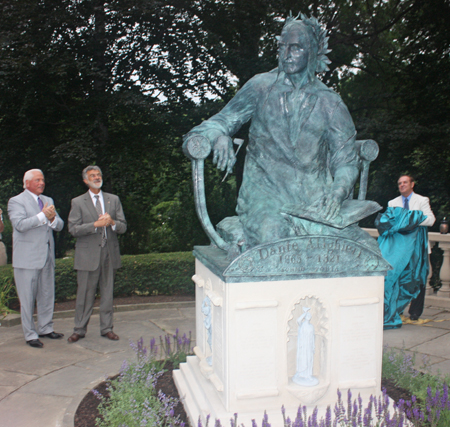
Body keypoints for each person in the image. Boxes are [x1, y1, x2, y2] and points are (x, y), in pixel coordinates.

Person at [183, 14, 376, 253]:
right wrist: (220, 134)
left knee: (362, 248)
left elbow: (345, 161)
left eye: (295, 48)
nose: (286, 55)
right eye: (282, 47)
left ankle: (237, 230)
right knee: (273, 239)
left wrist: (337, 193)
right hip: (266, 193)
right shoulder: (260, 86)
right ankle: (240, 226)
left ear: (312, 51)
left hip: (313, 198)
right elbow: (216, 123)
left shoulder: (330, 102)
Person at [67, 166, 127, 343]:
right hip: (87, 256)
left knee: (108, 293)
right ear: (85, 180)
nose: (96, 177)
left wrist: (112, 222)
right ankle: (79, 329)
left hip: (110, 253)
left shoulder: (113, 200)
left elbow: (123, 226)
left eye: (98, 175)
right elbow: (73, 229)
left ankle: (107, 328)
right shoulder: (78, 202)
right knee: (84, 294)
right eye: (92, 176)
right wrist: (95, 224)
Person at [7, 169, 64, 348]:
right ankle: (30, 334)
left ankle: (46, 328)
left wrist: (53, 219)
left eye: (43, 180)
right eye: (38, 180)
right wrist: (42, 216)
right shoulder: (16, 201)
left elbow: (60, 225)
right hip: (27, 259)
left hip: (46, 256)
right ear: (27, 183)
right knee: (27, 298)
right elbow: (20, 225)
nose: (41, 183)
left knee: (47, 294)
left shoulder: (48, 201)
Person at [387, 175, 435, 321]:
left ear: (412, 184)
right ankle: (397, 310)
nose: (402, 185)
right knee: (398, 279)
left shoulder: (422, 200)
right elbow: (390, 223)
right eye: (399, 183)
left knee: (419, 279)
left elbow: (431, 220)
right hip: (400, 249)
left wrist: (410, 219)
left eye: (405, 182)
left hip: (418, 248)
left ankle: (415, 312)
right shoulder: (392, 202)